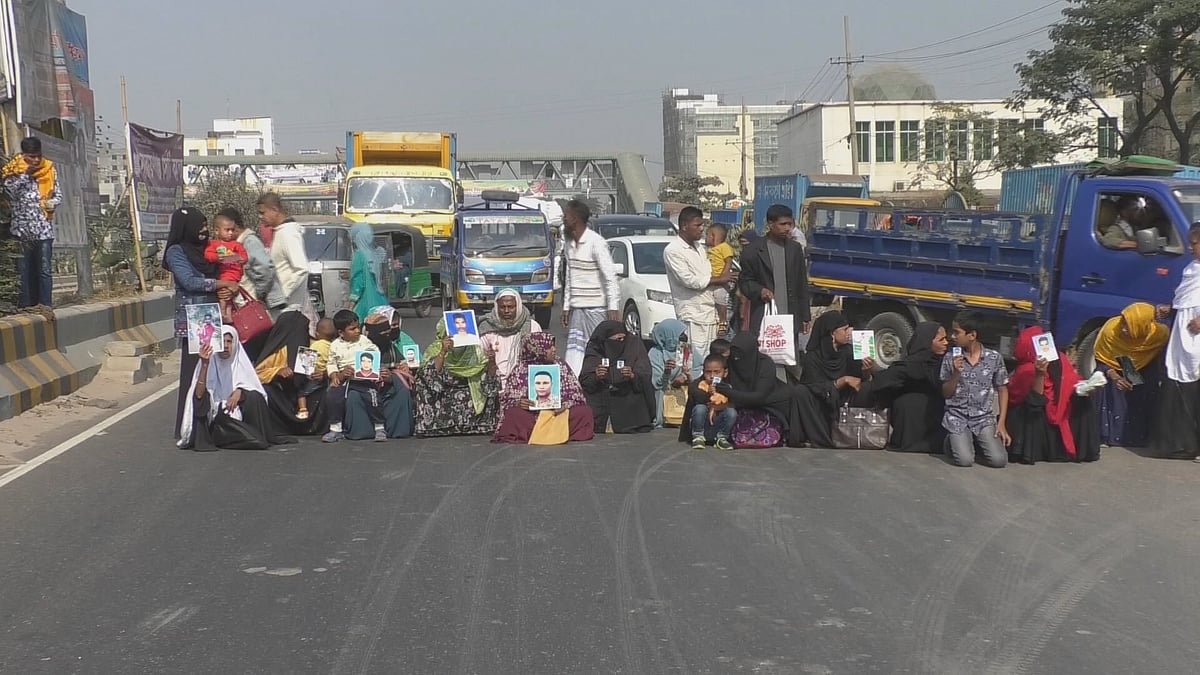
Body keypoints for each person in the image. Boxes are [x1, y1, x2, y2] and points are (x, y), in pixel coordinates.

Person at [163, 207, 240, 438]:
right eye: (200, 227)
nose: (204, 231)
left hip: (219, 314)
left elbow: (234, 262)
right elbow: (189, 281)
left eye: (206, 226)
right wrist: (220, 285)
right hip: (196, 318)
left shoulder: (210, 249)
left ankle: (217, 423)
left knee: (218, 370)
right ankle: (191, 427)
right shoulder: (176, 252)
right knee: (195, 373)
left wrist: (229, 283)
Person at [178, 325, 293, 451]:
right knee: (255, 440)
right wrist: (205, 364)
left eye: (229, 341)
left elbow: (254, 388)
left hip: (239, 417)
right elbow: (199, 397)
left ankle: (250, 434)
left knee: (254, 396)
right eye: (222, 341)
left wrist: (240, 392)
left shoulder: (240, 364)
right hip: (219, 419)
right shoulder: (209, 362)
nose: (226, 345)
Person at [680, 333, 802, 447]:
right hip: (738, 405)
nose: (738, 360)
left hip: (769, 403)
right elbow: (697, 387)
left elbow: (759, 397)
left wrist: (728, 393)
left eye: (742, 356)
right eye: (735, 356)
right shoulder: (731, 362)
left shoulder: (765, 364)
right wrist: (712, 403)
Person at [1007, 326, 1099, 464]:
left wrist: (1039, 375)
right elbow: (1074, 383)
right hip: (1064, 415)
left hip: (1038, 422)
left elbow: (1018, 398)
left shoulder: (1027, 369)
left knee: (1023, 410)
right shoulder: (1060, 359)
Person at [664, 207, 736, 374]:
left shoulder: (703, 248)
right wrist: (721, 279)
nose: (702, 229)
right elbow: (690, 281)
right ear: (684, 226)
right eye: (697, 225)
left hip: (712, 313)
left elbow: (718, 265)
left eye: (703, 225)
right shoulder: (673, 250)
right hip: (693, 315)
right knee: (695, 362)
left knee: (715, 361)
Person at [1152, 224, 1200, 460]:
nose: (1192, 248)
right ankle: (1179, 443)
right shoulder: (1192, 269)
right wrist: (1170, 308)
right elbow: (1185, 299)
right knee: (1178, 384)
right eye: (1191, 243)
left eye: (1195, 243)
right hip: (1183, 335)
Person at [494, 333, 595, 444]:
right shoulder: (520, 369)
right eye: (549, 347)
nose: (554, 350)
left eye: (553, 346)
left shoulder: (560, 365)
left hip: (557, 415)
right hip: (531, 417)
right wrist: (519, 403)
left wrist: (565, 405)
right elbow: (507, 400)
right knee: (514, 414)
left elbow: (575, 395)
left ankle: (550, 432)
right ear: (537, 349)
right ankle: (548, 433)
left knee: (584, 412)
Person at [941, 311, 1011, 468]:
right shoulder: (949, 358)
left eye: (957, 332)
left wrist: (1001, 423)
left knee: (999, 460)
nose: (953, 336)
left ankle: (974, 441)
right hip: (957, 416)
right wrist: (956, 374)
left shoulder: (994, 358)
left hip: (983, 418)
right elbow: (946, 392)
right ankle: (951, 440)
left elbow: (1003, 389)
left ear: (971, 335)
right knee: (965, 461)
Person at [1092, 302, 1168, 447]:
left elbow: (1157, 361)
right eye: (1123, 323)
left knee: (1147, 387)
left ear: (1142, 326)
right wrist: (1115, 376)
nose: (1123, 329)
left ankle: (1137, 436)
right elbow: (1101, 359)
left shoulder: (1159, 334)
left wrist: (1134, 378)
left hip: (1139, 367)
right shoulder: (1111, 330)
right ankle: (1106, 435)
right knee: (1105, 383)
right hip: (1113, 367)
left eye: (1128, 325)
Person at [795, 310, 875, 448]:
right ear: (832, 333)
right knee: (800, 392)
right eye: (844, 329)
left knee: (869, 388)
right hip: (824, 399)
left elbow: (859, 379)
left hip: (844, 398)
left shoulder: (848, 351)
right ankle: (819, 436)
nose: (848, 332)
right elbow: (814, 386)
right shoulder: (813, 357)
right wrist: (842, 381)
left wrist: (866, 370)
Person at [413, 317, 502, 437]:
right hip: (443, 392)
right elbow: (429, 375)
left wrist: (491, 362)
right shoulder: (435, 349)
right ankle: (434, 426)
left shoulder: (476, 350)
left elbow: (489, 379)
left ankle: (482, 424)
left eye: (463, 323)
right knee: (422, 381)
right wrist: (443, 351)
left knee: (492, 382)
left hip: (470, 391)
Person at [560, 199, 621, 375]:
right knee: (575, 354)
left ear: (576, 219)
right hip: (578, 310)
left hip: (597, 310)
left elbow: (610, 277)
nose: (564, 219)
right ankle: (576, 388)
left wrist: (612, 308)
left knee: (601, 351)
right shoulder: (569, 244)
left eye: (567, 216)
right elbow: (571, 277)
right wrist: (566, 306)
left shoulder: (596, 242)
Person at [870, 322, 948, 453]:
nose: (946, 343)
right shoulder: (909, 365)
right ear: (927, 341)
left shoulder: (946, 362)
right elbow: (883, 381)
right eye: (941, 339)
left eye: (946, 339)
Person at [738, 205, 811, 344]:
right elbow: (745, 282)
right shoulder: (753, 251)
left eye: (790, 224)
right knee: (765, 359)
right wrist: (760, 290)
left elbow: (801, 284)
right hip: (764, 316)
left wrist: (805, 316)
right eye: (783, 224)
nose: (787, 228)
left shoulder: (794, 249)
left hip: (790, 317)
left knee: (789, 358)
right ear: (770, 224)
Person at [3, 136, 61, 309]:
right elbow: (9, 192)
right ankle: (25, 305)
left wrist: (53, 203)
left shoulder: (49, 170)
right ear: (23, 155)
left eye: (38, 156)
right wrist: (24, 175)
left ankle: (45, 304)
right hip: (21, 230)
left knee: (44, 270)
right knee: (24, 270)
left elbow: (58, 194)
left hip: (43, 229)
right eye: (31, 156)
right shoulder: (13, 171)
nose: (36, 160)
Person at [254, 311, 326, 435]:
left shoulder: (311, 346)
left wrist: (322, 375)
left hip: (306, 392)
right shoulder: (275, 350)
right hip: (282, 394)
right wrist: (277, 371)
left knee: (325, 393)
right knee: (266, 391)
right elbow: (256, 374)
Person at [322, 310, 388, 443]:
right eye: (352, 329)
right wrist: (335, 376)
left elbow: (374, 352)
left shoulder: (364, 341)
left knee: (373, 397)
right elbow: (331, 363)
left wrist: (368, 369)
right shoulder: (335, 345)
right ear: (341, 333)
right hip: (345, 379)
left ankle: (379, 427)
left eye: (358, 327)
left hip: (364, 379)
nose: (357, 331)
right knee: (332, 396)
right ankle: (336, 429)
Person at [579, 320, 655, 434]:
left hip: (627, 398)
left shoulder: (633, 345)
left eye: (623, 339)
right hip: (601, 399)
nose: (621, 342)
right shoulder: (595, 350)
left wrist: (632, 375)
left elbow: (644, 373)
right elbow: (586, 381)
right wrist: (597, 376)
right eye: (617, 339)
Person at [258, 192, 311, 323]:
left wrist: (282, 294)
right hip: (280, 308)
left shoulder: (288, 233)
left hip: (288, 309)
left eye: (262, 213)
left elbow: (302, 269)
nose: (260, 217)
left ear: (275, 210)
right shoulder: (280, 232)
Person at [479, 289, 543, 382]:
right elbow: (478, 354)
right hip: (494, 380)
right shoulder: (486, 327)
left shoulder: (532, 327)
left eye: (510, 307)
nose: (506, 311)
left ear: (518, 307)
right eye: (502, 307)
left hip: (524, 380)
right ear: (496, 307)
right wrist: (488, 359)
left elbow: (541, 355)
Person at [220, 207, 274, 302]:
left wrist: (260, 294)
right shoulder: (234, 244)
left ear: (234, 226)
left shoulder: (249, 242)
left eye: (225, 229)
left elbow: (265, 268)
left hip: (251, 300)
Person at [205, 211, 248, 322]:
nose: (230, 233)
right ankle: (224, 313)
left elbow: (244, 257)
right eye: (227, 230)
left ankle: (226, 314)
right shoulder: (213, 244)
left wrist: (233, 257)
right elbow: (208, 255)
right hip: (223, 274)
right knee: (224, 294)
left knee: (228, 295)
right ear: (217, 231)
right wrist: (217, 258)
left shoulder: (236, 244)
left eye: (232, 230)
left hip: (234, 273)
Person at [688, 353, 737, 450]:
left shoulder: (728, 387)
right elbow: (697, 398)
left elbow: (732, 403)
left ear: (725, 372)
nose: (712, 376)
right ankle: (698, 436)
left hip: (718, 421)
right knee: (699, 408)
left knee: (731, 412)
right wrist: (709, 394)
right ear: (703, 372)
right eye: (708, 372)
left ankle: (722, 438)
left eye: (716, 372)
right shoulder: (701, 384)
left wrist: (717, 407)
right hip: (704, 422)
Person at [648, 319, 691, 428]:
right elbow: (657, 383)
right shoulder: (655, 353)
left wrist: (685, 376)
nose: (683, 337)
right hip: (665, 391)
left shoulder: (686, 349)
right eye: (679, 334)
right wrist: (667, 372)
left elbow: (699, 368)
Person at [295, 317, 336, 421]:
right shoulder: (333, 346)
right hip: (327, 378)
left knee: (301, 392)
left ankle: (303, 409)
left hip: (312, 377)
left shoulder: (314, 345)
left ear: (317, 334)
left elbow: (304, 364)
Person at [350, 222, 389, 322]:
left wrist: (351, 306)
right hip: (381, 300)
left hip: (365, 302)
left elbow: (358, 284)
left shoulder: (359, 256)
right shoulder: (378, 253)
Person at [706, 223, 736, 332]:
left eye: (707, 235)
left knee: (720, 298)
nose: (706, 238)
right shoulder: (710, 249)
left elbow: (728, 261)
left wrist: (724, 275)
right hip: (714, 280)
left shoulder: (724, 247)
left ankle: (723, 321)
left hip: (723, 280)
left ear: (713, 236)